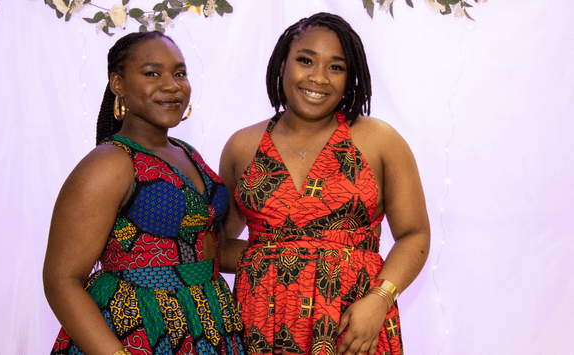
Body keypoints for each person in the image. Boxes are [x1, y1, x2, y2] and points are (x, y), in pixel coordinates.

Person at [219, 12, 430, 355]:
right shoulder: (242, 146)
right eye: (305, 61)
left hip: (353, 324)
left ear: (351, 76)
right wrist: (277, 255)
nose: (318, 78)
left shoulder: (380, 140)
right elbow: (220, 244)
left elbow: (415, 234)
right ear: (282, 65)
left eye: (336, 67)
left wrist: (379, 298)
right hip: (260, 321)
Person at [43, 31, 244, 355]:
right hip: (139, 329)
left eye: (179, 73)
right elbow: (61, 279)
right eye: (153, 73)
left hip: (210, 323)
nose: (172, 85)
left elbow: (212, 248)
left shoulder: (185, 151)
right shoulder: (110, 163)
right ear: (118, 84)